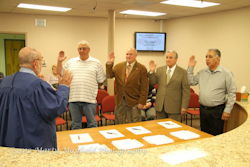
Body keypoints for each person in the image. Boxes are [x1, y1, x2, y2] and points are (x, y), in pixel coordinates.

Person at [0, 47, 73, 150]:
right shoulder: (37, 85)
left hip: (7, 142)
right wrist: (64, 87)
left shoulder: (4, 82)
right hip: (31, 144)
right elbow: (55, 108)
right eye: (41, 60)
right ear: (35, 63)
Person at [57, 40, 106, 129]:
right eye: (79, 49)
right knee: (75, 125)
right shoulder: (70, 62)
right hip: (73, 99)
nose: (81, 51)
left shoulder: (96, 62)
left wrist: (91, 84)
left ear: (89, 50)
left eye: (84, 48)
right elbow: (60, 74)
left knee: (92, 125)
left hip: (89, 99)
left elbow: (101, 80)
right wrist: (59, 62)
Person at [188, 49, 237, 135]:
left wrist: (227, 110)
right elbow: (191, 82)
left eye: (210, 57)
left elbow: (232, 93)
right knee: (204, 134)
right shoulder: (202, 72)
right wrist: (190, 68)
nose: (207, 59)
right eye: (206, 57)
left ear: (218, 59)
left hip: (217, 111)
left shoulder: (226, 73)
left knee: (216, 135)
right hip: (203, 109)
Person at [106, 48, 148, 124]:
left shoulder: (141, 68)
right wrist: (109, 63)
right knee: (119, 122)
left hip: (134, 100)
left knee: (135, 124)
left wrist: (142, 102)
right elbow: (109, 75)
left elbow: (144, 87)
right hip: (120, 100)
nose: (128, 56)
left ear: (136, 55)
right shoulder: (119, 66)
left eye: (130, 54)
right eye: (127, 54)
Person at [148, 50, 190, 122]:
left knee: (174, 129)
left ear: (176, 59)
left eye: (170, 57)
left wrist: (184, 106)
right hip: (160, 106)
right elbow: (153, 83)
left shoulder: (183, 72)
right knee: (160, 128)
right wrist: (151, 72)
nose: (168, 59)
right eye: (167, 57)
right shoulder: (160, 70)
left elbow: (186, 91)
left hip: (174, 107)